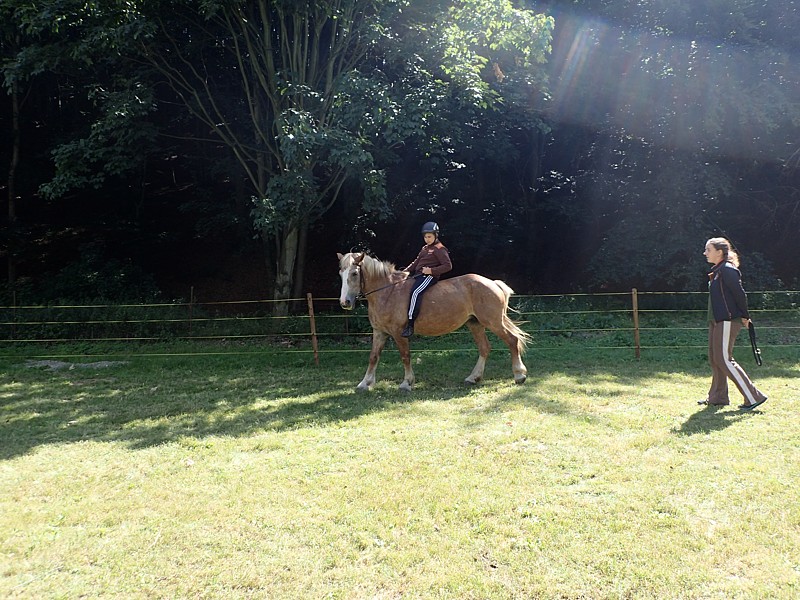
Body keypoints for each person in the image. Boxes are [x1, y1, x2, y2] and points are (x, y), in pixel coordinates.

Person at [698, 237, 767, 410]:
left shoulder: (727, 270)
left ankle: (753, 397)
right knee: (715, 358)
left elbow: (740, 294)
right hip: (716, 320)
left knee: (724, 359)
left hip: (727, 320)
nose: (705, 253)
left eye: (708, 250)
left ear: (719, 252)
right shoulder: (718, 271)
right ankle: (717, 397)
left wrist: (745, 316)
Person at [400, 221, 452, 337]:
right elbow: (416, 262)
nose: (427, 239)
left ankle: (410, 324)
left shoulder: (440, 249)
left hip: (429, 277)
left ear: (435, 235)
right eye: (425, 237)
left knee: (415, 292)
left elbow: (448, 266)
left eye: (429, 237)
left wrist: (431, 271)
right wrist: (404, 272)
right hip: (419, 276)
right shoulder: (425, 248)